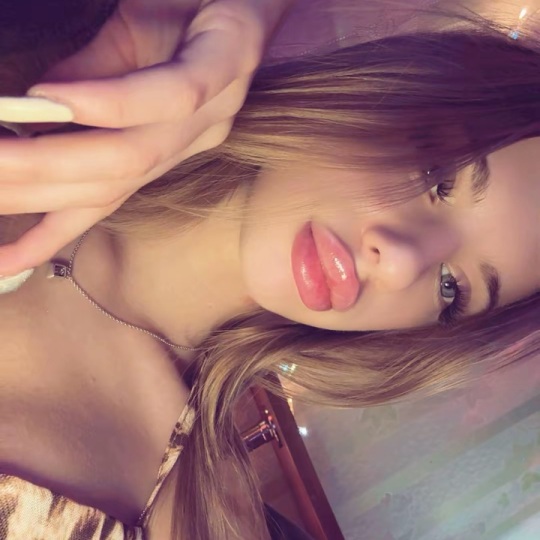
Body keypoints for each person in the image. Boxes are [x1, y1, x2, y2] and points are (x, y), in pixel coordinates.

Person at [0, 1, 539, 540]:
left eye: (450, 287)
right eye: (439, 178)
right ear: (387, 90)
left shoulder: (196, 518)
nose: (399, 263)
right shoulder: (65, 56)